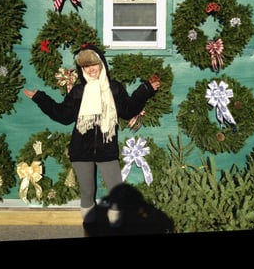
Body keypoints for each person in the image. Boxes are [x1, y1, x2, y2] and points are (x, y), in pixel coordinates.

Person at [23, 44, 160, 228]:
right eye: (86, 66)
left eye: (94, 64)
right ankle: (90, 226)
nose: (91, 69)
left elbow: (128, 110)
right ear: (82, 69)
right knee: (87, 193)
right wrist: (40, 98)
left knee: (116, 192)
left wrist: (145, 90)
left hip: (106, 148)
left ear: (101, 64)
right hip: (81, 150)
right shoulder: (79, 91)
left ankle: (116, 225)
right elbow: (62, 115)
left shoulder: (114, 89)